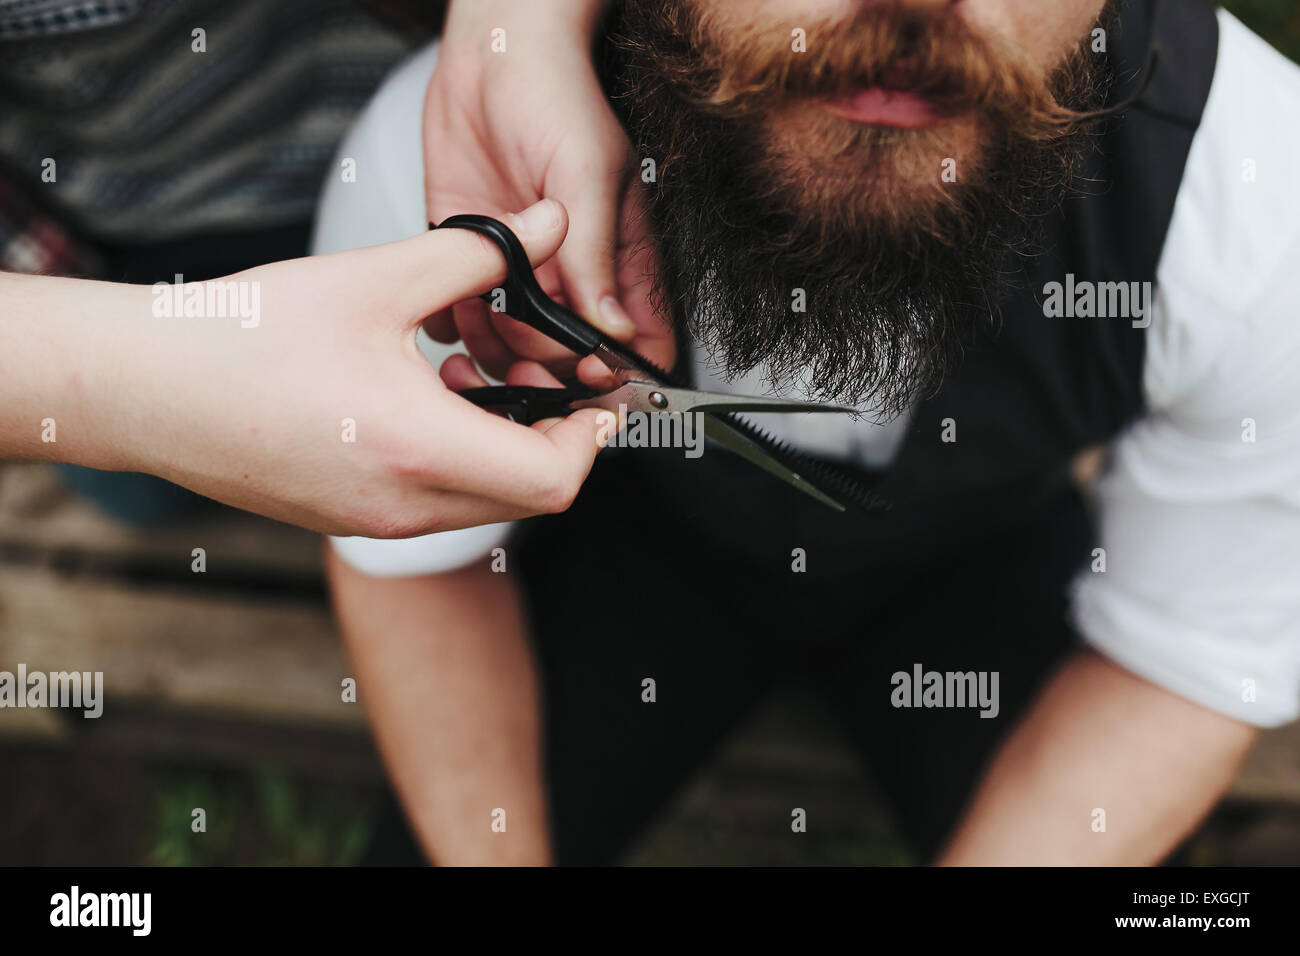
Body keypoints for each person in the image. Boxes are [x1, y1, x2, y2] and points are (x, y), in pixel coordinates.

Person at [325, 0, 1300, 865]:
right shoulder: (469, 161)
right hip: (642, 535)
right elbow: (420, 559)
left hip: (973, 554)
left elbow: (1186, 654)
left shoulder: (1254, 203)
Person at [0, 0, 628, 535]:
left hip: (423, 135)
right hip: (125, 242)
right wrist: (133, 390)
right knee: (144, 495)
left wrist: (520, 24)